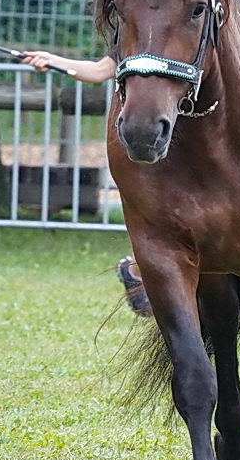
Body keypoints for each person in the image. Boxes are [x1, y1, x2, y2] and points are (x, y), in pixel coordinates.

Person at [18, 49, 149, 316]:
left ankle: (137, 271)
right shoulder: (135, 38)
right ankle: (136, 271)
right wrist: (52, 60)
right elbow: (99, 71)